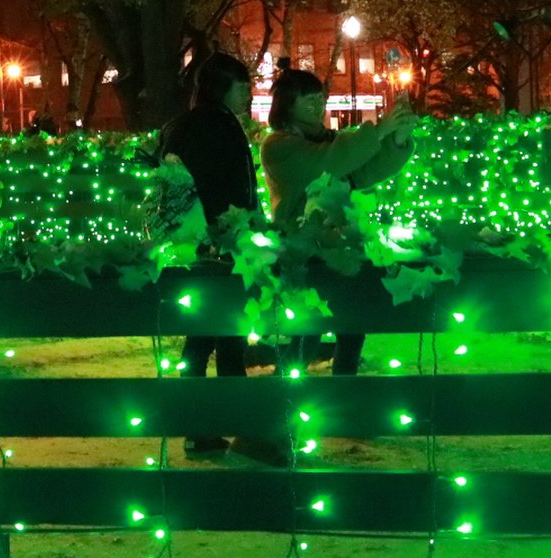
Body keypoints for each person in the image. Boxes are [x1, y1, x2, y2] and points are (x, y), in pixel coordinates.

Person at [261, 67, 416, 372]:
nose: (317, 106)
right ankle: (291, 395)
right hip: (305, 253)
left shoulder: (331, 141)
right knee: (309, 330)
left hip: (342, 246)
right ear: (287, 105)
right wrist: (379, 130)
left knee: (352, 324)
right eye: (308, 101)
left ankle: (345, 390)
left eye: (320, 98)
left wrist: (398, 138)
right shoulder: (278, 145)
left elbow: (362, 171)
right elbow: (328, 164)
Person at [157, 52, 261, 460]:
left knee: (200, 338)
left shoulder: (180, 124)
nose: (249, 95)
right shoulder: (220, 125)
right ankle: (242, 427)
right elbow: (229, 187)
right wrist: (240, 232)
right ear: (224, 88)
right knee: (230, 338)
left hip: (188, 246)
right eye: (243, 86)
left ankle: (198, 427)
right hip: (222, 245)